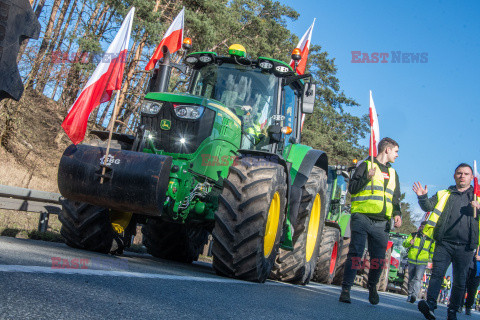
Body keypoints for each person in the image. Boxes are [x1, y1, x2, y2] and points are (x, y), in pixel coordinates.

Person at [339, 137, 402, 305]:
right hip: (362, 217)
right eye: (396, 151)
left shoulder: (394, 174)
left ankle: (372, 287)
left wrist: (397, 214)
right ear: (387, 150)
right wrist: (367, 177)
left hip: (382, 223)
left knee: (378, 259)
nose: (397, 155)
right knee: (356, 253)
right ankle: (346, 289)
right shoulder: (365, 166)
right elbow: (352, 189)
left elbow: (395, 199)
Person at [414, 163, 480, 320]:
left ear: (472, 178)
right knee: (437, 274)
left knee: (460, 281)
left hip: (466, 246)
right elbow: (427, 206)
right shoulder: (444, 193)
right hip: (444, 243)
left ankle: (452, 312)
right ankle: (430, 305)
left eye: (465, 174)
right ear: (454, 176)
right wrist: (422, 196)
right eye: (459, 173)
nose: (462, 176)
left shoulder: (477, 196)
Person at [403, 221, 435, 303]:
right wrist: (409, 242)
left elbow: (432, 251)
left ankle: (414, 295)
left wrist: (434, 262)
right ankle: (409, 294)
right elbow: (405, 244)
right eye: (422, 226)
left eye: (425, 226)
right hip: (412, 260)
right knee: (410, 278)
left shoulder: (430, 239)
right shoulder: (414, 235)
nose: (423, 228)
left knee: (418, 278)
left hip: (422, 262)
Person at [463, 247, 480, 315]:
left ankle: (468, 306)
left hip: (477, 272)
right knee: (462, 286)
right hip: (467, 266)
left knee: (472, 290)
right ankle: (458, 305)